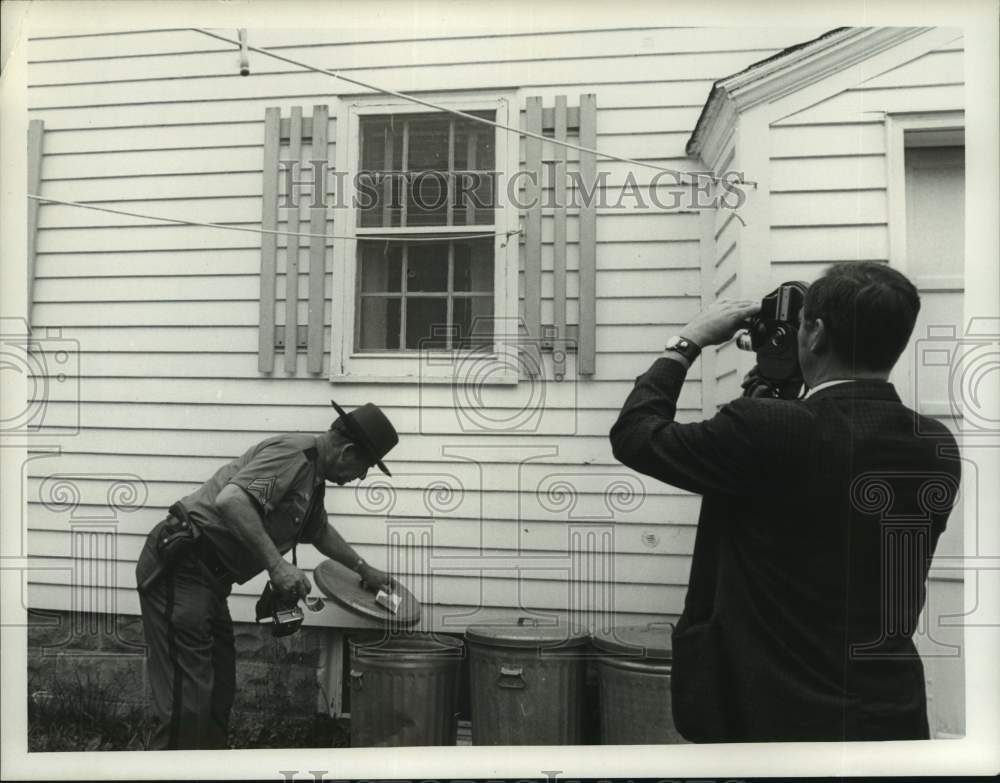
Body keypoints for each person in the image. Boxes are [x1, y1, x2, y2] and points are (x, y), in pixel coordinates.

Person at [610, 261, 961, 742]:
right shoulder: (935, 443)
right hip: (886, 711)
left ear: (814, 334)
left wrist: (686, 341)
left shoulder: (767, 429)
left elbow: (636, 435)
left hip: (771, 715)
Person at [136, 400, 399, 750]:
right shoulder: (293, 456)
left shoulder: (313, 476)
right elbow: (232, 501)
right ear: (347, 451)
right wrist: (277, 566)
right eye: (364, 468)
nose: (360, 477)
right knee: (186, 700)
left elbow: (318, 531)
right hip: (182, 568)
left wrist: (364, 570)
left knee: (217, 693)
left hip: (210, 582)